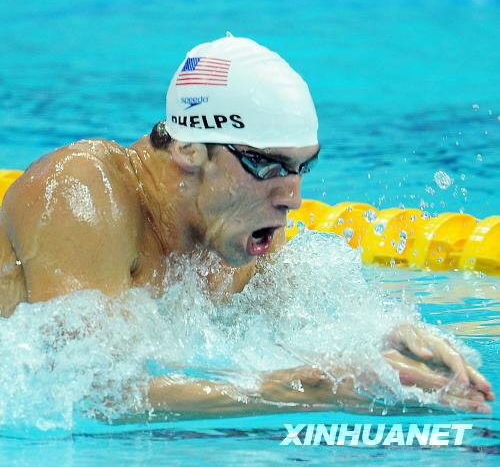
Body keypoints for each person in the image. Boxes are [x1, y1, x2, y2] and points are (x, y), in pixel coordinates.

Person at [0, 35, 494, 417]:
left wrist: (385, 341)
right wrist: (304, 390)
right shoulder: (81, 194)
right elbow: (83, 390)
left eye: (302, 168)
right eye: (266, 164)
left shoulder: (234, 237)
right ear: (189, 149)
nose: (293, 198)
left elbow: (297, 328)